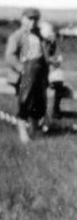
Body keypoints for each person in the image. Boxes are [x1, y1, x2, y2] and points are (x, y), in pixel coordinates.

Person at [5, 8, 59, 143]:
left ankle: (33, 133)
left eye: (35, 19)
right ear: (22, 19)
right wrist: (21, 68)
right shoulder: (17, 36)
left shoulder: (41, 36)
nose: (32, 22)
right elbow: (9, 56)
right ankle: (23, 135)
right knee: (25, 102)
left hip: (40, 74)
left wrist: (52, 43)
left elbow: (49, 54)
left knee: (39, 104)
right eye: (29, 18)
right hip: (25, 75)